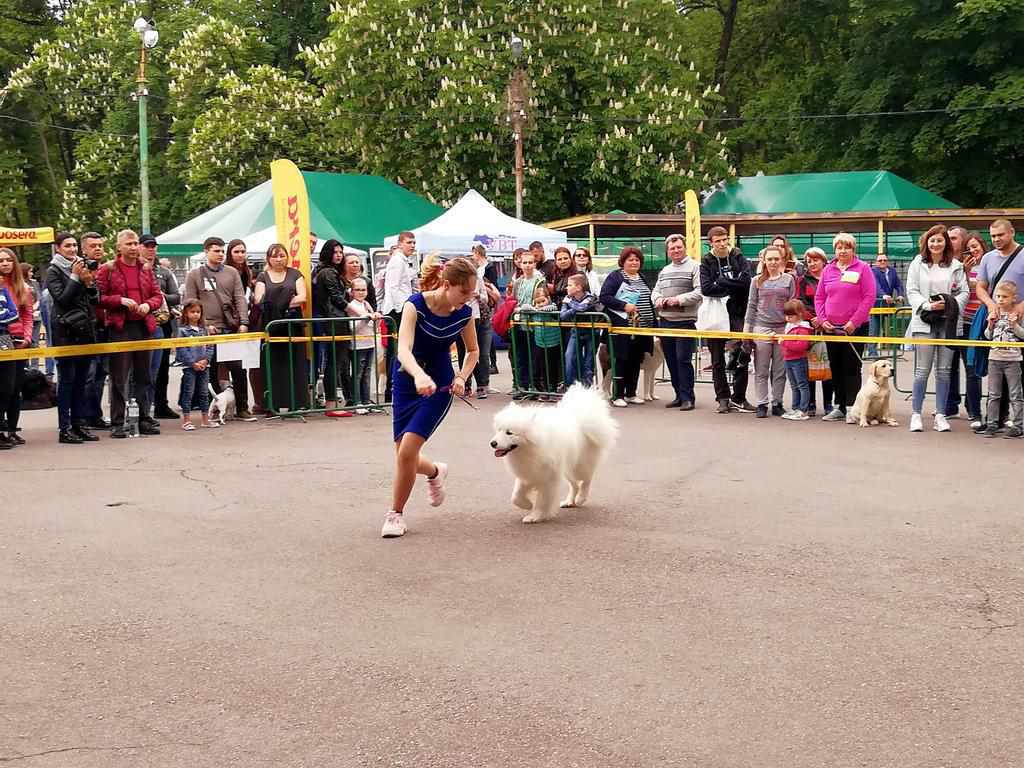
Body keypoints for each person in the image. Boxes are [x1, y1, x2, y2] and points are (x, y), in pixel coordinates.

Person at [383, 257, 479, 539]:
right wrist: (417, 376)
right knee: (404, 454)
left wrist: (461, 377)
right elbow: (403, 349)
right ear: (447, 285)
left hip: (440, 385)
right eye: (464, 293)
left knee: (407, 451)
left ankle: (395, 514)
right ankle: (436, 471)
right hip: (406, 379)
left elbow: (473, 351)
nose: (467, 299)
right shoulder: (415, 305)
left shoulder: (464, 313)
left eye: (471, 294)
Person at [96, 229, 164, 438]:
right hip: (120, 328)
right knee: (119, 377)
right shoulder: (107, 269)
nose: (134, 247)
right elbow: (99, 297)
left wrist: (147, 305)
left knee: (144, 376)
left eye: (135, 244)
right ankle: (118, 422)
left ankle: (143, 417)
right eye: (129, 244)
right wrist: (120, 301)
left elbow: (157, 295)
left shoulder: (146, 269)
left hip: (143, 326)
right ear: (119, 247)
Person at [183, 236, 256, 421]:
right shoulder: (195, 275)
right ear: (206, 251)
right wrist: (204, 325)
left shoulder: (232, 273)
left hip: (230, 329)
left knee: (239, 369)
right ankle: (213, 409)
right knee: (210, 370)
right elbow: (189, 303)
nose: (220, 254)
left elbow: (240, 297)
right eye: (216, 250)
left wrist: (244, 322)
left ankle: (242, 407)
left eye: (222, 251)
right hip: (207, 331)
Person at [904, 224, 968, 433]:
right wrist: (927, 305)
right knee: (922, 371)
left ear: (946, 243)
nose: (936, 243)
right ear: (926, 242)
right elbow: (911, 290)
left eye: (940, 240)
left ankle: (941, 414)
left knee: (944, 371)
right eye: (932, 240)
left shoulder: (956, 265)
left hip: (948, 321)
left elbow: (964, 292)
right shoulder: (917, 263)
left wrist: (949, 304)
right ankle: (916, 414)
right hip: (925, 320)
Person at [814, 232, 876, 421]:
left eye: (846, 247)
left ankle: (852, 408)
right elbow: (820, 297)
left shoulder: (863, 268)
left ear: (853, 249)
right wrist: (823, 319)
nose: (843, 250)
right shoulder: (828, 270)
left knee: (851, 367)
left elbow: (869, 297)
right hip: (831, 327)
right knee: (836, 367)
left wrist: (853, 322)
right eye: (839, 247)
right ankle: (839, 406)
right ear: (835, 250)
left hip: (855, 327)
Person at [700, 226, 754, 413]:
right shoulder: (706, 261)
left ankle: (739, 397)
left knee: (742, 353)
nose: (722, 244)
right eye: (718, 241)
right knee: (717, 359)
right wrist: (733, 286)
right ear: (711, 243)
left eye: (725, 240)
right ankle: (722, 397)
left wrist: (722, 282)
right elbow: (706, 288)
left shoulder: (738, 256)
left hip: (738, 313)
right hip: (716, 314)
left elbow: (747, 282)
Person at [255, 243, 308, 414]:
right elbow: (259, 299)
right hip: (271, 325)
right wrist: (284, 302)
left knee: (295, 364)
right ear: (269, 258)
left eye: (282, 255)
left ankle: (297, 403)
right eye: (275, 256)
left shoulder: (295, 274)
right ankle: (272, 404)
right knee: (273, 366)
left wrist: (279, 303)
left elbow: (302, 297)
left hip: (292, 324)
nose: (279, 259)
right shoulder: (263, 276)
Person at [600, 246, 655, 408]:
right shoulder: (615, 277)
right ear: (623, 261)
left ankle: (631, 393)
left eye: (637, 259)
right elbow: (604, 297)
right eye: (630, 259)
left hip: (642, 328)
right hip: (622, 327)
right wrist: (624, 306)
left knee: (636, 359)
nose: (634, 262)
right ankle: (618, 394)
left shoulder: (642, 277)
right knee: (621, 359)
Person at [744, 245, 797, 418]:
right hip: (761, 327)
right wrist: (747, 331)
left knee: (780, 369)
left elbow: (792, 304)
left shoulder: (789, 279)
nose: (773, 262)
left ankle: (777, 402)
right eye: (770, 259)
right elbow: (751, 305)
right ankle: (761, 403)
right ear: (764, 261)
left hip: (782, 328)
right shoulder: (756, 281)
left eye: (776, 259)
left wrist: (792, 327)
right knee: (761, 368)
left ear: (781, 260)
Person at [652, 233, 702, 410]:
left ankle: (688, 397)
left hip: (685, 322)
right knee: (671, 360)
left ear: (685, 247)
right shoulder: (664, 271)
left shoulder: (696, 267)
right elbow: (655, 292)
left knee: (683, 360)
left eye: (678, 247)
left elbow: (699, 292)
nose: (676, 250)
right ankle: (678, 395)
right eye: (672, 248)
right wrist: (657, 300)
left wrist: (678, 300)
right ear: (668, 251)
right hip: (665, 321)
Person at [946, 230, 986, 427]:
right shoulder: (950, 263)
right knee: (948, 365)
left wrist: (967, 277)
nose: (948, 241)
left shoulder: (984, 263)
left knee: (971, 365)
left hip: (975, 321)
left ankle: (974, 409)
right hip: (955, 320)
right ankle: (949, 406)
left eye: (953, 238)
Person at [139, 234, 180, 419]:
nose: (151, 249)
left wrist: (160, 295)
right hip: (141, 324)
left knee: (162, 367)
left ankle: (161, 404)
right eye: (147, 246)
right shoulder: (136, 269)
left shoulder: (164, 272)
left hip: (163, 323)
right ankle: (140, 408)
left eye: (154, 246)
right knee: (142, 369)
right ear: (140, 247)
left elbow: (176, 297)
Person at [978, 281, 1024, 438]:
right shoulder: (994, 313)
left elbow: (1022, 335)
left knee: (1015, 394)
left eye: (1004, 296)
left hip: (1013, 359)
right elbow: (988, 336)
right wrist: (990, 324)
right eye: (998, 296)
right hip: (994, 359)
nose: (1000, 299)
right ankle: (992, 424)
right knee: (993, 394)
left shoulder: (1018, 314)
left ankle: (1018, 425)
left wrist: (1015, 325)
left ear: (1013, 298)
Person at [0, 248, 33, 446]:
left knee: (15, 388)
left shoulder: (23, 288)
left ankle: (11, 429)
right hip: (2, 339)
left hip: (19, 342)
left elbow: (28, 315)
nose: (4, 263)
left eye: (8, 260)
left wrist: (27, 338)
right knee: (4, 387)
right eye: (0, 260)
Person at [796, 247, 833, 416]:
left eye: (815, 260)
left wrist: (825, 318)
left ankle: (828, 404)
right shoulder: (802, 280)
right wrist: (812, 318)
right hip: (809, 326)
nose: (812, 264)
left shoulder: (832, 277)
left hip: (830, 325)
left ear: (824, 261)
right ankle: (811, 403)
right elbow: (800, 302)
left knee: (828, 365)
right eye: (809, 261)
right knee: (809, 366)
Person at [381, 231, 417, 402]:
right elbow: (393, 287)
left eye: (414, 243)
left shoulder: (403, 261)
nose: (412, 245)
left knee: (400, 350)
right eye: (409, 242)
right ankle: (392, 389)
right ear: (400, 243)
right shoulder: (397, 260)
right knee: (397, 351)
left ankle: (395, 388)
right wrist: (400, 310)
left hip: (401, 308)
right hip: (397, 311)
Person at [80, 232, 109, 428]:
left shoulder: (107, 270)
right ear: (84, 249)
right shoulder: (79, 270)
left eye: (100, 245)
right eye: (93, 246)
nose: (97, 248)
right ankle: (82, 416)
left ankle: (95, 415)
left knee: (101, 374)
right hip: (86, 328)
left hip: (106, 327)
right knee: (87, 375)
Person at [509, 249, 546, 399]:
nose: (527, 265)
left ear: (535, 263)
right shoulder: (518, 282)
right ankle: (521, 386)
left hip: (534, 323)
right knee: (520, 356)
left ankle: (533, 386)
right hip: (519, 322)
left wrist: (530, 307)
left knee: (535, 357)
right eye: (525, 262)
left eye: (530, 262)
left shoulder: (539, 280)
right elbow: (513, 300)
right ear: (520, 264)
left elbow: (541, 301)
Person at [175, 299, 216, 430]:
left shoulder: (204, 330)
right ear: (186, 313)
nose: (196, 314)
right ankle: (186, 420)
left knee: (204, 393)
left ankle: (205, 419)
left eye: (198, 312)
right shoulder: (182, 331)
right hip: (189, 367)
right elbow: (181, 349)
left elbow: (210, 346)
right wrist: (192, 363)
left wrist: (206, 360)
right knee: (189, 393)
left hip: (204, 366)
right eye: (192, 312)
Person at [345, 276, 382, 412]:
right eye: (358, 290)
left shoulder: (367, 304)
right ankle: (357, 402)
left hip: (370, 342)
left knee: (367, 373)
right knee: (358, 374)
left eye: (363, 290)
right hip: (357, 344)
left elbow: (375, 325)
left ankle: (366, 401)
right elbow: (352, 327)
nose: (361, 292)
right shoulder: (352, 306)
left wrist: (376, 318)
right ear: (352, 292)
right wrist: (365, 319)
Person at [561, 273, 598, 387]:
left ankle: (587, 388)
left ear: (579, 287)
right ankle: (570, 387)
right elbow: (563, 315)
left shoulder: (590, 297)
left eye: (570, 285)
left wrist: (570, 305)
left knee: (588, 362)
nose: (567, 287)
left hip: (591, 332)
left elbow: (582, 308)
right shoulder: (567, 298)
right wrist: (574, 309)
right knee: (569, 357)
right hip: (575, 331)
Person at [527, 282, 561, 401]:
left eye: (543, 301)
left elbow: (552, 308)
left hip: (553, 342)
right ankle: (545, 389)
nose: (541, 305)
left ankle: (553, 389)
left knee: (552, 366)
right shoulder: (534, 311)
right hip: (540, 342)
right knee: (542, 367)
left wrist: (541, 309)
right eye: (538, 302)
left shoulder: (552, 309)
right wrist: (532, 308)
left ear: (548, 299)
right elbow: (525, 309)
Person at [779, 299, 813, 420]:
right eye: (786, 315)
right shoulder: (790, 327)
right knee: (794, 385)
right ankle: (795, 408)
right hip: (788, 359)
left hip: (798, 359)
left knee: (802, 385)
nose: (787, 318)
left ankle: (803, 410)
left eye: (790, 315)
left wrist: (784, 342)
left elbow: (801, 346)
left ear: (799, 314)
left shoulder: (803, 328)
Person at [868, 254, 904, 356]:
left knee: (885, 328)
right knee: (874, 329)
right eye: (880, 260)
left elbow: (898, 284)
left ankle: (889, 351)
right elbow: (875, 285)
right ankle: (872, 353)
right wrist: (883, 295)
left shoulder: (892, 271)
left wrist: (900, 295)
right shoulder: (873, 271)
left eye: (885, 260)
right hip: (876, 305)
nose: (883, 262)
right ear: (876, 262)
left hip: (888, 306)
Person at [21, 263, 42, 371]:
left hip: (36, 316)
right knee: (24, 342)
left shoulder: (34, 283)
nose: (32, 274)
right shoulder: (19, 284)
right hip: (24, 316)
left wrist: (35, 306)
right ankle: (25, 366)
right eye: (29, 271)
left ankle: (35, 368)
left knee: (35, 342)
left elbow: (39, 296)